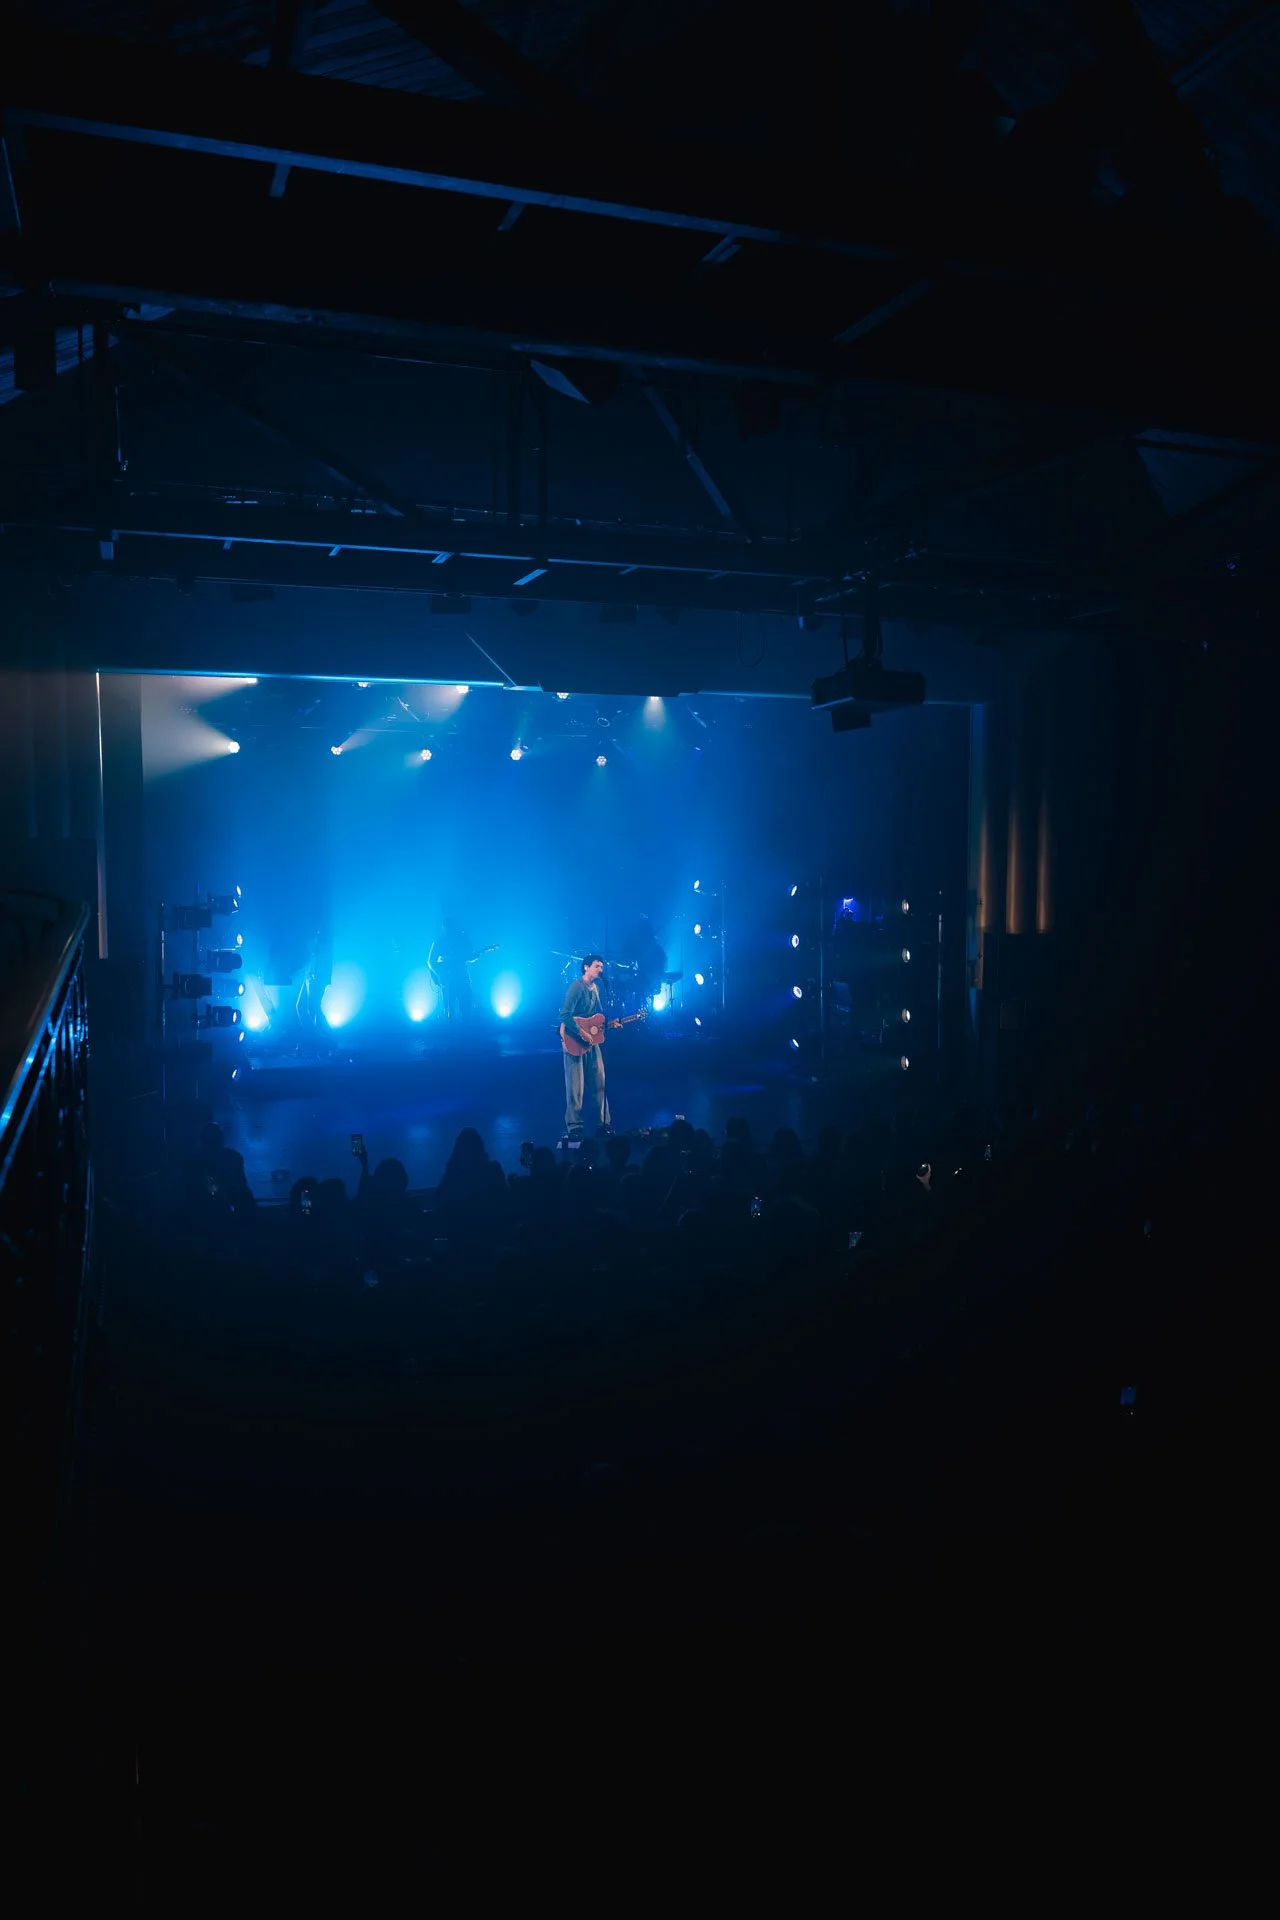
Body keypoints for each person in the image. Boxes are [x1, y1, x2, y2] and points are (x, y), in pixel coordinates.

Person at [559, 954, 613, 1141]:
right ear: (586, 967)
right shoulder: (576, 987)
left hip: (591, 1042)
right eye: (597, 966)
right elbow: (565, 1015)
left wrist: (609, 1025)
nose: (601, 969)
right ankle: (574, 1125)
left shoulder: (596, 989)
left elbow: (593, 1018)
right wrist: (583, 1034)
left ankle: (603, 1123)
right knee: (576, 1087)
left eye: (602, 966)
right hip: (574, 1040)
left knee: (600, 1082)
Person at [429, 917, 473, 1022]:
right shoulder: (440, 941)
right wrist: (440, 975)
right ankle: (451, 1031)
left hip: (461, 978)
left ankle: (462, 1030)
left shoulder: (462, 939)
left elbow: (470, 957)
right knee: (450, 1010)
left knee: (465, 1007)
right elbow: (431, 961)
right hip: (449, 981)